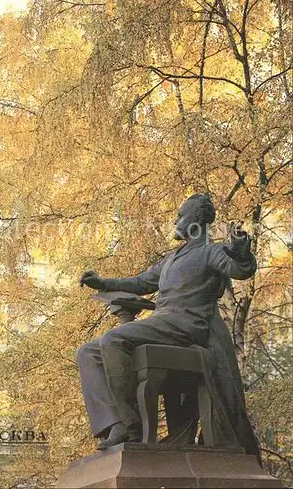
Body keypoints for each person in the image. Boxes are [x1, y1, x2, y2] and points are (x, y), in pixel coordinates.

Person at [77, 194, 258, 454]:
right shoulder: (172, 258)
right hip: (162, 323)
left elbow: (240, 270)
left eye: (181, 215)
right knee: (88, 352)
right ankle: (113, 423)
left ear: (195, 219)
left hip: (187, 325)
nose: (176, 219)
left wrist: (242, 252)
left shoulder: (211, 251)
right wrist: (105, 283)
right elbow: (141, 282)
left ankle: (131, 427)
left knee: (114, 340)